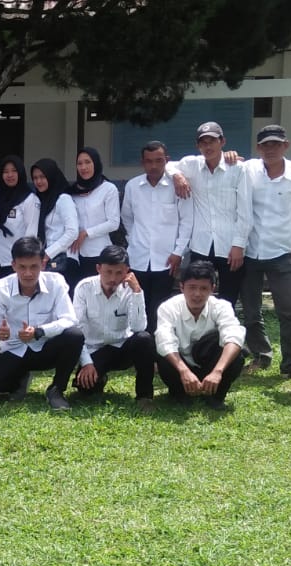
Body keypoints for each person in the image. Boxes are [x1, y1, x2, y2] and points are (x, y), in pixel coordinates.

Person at [237, 124, 291, 378]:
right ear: (258, 148)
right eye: (265, 145)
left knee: (289, 311)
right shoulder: (248, 170)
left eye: (276, 144)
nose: (270, 149)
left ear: (285, 146)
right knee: (251, 311)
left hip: (283, 252)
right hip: (251, 250)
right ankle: (261, 355)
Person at [0, 236, 84, 410]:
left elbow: (69, 319)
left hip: (45, 349)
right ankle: (18, 381)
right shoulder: (0, 288)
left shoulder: (56, 282)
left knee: (75, 335)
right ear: (13, 265)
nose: (28, 273)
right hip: (14, 350)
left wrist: (39, 331)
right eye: (22, 267)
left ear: (43, 264)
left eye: (33, 267)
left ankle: (57, 389)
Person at [167, 122, 248, 307]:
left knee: (228, 299)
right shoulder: (191, 164)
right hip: (201, 245)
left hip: (230, 245)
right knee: (198, 296)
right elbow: (168, 165)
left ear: (222, 142)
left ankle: (224, 327)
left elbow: (245, 211)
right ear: (198, 146)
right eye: (203, 143)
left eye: (212, 141)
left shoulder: (237, 168)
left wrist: (239, 244)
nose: (208, 146)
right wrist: (177, 176)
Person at [121, 141, 193, 333]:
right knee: (137, 303)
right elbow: (127, 217)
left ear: (167, 161)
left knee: (160, 308)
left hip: (167, 259)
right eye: (149, 161)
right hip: (138, 257)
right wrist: (133, 240)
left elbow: (187, 221)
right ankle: (138, 343)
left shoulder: (178, 186)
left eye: (159, 160)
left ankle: (157, 344)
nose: (153, 166)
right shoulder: (133, 186)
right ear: (142, 163)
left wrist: (178, 252)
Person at [71, 246, 155, 410]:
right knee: (85, 389)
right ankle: (99, 377)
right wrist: (87, 363)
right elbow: (78, 329)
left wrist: (137, 292)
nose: (113, 278)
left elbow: (139, 327)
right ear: (98, 268)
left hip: (121, 347)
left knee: (144, 339)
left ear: (127, 271)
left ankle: (144, 396)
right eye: (108, 272)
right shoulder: (84, 288)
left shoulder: (132, 289)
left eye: (119, 273)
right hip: (94, 349)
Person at [155, 260, 246, 410]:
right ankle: (179, 394)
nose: (197, 294)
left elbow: (234, 336)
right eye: (192, 287)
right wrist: (184, 371)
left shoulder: (222, 306)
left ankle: (215, 396)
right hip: (181, 365)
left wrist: (218, 371)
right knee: (163, 355)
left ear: (212, 289)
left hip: (210, 364)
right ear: (181, 287)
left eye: (204, 288)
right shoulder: (168, 308)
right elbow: (165, 342)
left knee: (236, 355)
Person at [67, 147, 120, 278]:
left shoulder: (108, 189)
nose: (83, 167)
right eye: (79, 163)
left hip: (99, 253)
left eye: (88, 162)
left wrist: (86, 233)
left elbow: (114, 223)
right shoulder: (72, 191)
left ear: (95, 163)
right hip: (75, 254)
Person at [0, 155, 39, 281]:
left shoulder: (29, 198)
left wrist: (24, 261)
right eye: (5, 172)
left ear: (20, 172)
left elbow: (31, 233)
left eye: (14, 171)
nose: (10, 175)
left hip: (18, 263)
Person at [30, 158, 80, 290]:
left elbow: (72, 232)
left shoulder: (63, 199)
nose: (38, 181)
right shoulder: (42, 200)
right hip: (49, 261)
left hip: (64, 261)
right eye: (35, 178)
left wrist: (47, 254)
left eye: (42, 177)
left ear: (51, 176)